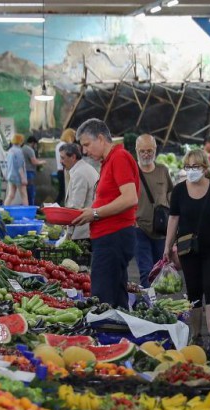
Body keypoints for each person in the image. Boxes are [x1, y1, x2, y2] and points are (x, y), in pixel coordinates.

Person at [164, 149, 210, 360]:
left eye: (195, 167)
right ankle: (195, 335)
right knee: (193, 290)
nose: (192, 171)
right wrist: (167, 246)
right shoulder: (178, 191)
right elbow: (173, 219)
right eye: (188, 167)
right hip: (188, 249)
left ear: (205, 168)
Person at [72, 119, 139, 308]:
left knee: (101, 299)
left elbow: (130, 198)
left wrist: (94, 213)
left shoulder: (119, 158)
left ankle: (102, 337)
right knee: (116, 298)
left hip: (113, 238)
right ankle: (116, 335)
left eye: (87, 145)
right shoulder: (109, 161)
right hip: (110, 238)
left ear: (100, 138)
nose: (84, 151)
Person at [134, 134, 173, 289]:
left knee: (160, 270)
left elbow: (170, 193)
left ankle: (157, 303)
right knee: (146, 270)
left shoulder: (163, 170)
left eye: (149, 151)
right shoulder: (132, 171)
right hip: (139, 227)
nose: (146, 154)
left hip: (161, 229)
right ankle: (150, 305)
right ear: (136, 150)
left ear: (155, 150)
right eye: (142, 151)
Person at [61, 142, 99, 242]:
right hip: (89, 229)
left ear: (73, 157)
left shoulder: (79, 174)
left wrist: (68, 234)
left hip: (83, 233)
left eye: (63, 158)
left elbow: (75, 208)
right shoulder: (85, 168)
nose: (61, 161)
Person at [4, 134, 28, 206]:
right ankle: (27, 212)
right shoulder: (18, 151)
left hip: (11, 176)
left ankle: (4, 210)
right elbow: (20, 166)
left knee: (11, 195)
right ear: (20, 141)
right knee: (24, 194)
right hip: (18, 177)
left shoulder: (10, 151)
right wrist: (23, 178)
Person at [22, 136, 46, 205]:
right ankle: (31, 208)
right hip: (29, 173)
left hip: (23, 173)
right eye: (35, 144)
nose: (36, 146)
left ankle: (26, 208)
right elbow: (34, 162)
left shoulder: (23, 148)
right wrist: (43, 162)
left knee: (25, 193)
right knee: (31, 192)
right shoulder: (30, 150)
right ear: (33, 143)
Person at [55, 128, 76, 205]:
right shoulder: (65, 145)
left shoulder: (59, 145)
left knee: (62, 192)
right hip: (64, 170)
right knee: (64, 192)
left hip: (60, 170)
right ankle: (54, 206)